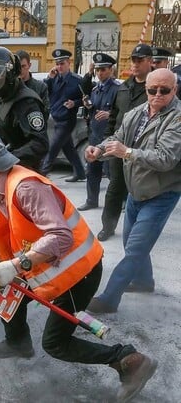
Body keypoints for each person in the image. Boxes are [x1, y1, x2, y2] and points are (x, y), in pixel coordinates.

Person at [0, 132, 158, 402]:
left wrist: (18, 264)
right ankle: (17, 342)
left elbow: (60, 236)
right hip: (55, 268)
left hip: (77, 275)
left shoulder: (25, 188)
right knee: (10, 292)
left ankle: (127, 360)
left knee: (55, 343)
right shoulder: (0, 183)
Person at [85, 68, 181, 315]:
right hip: (136, 189)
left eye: (164, 90)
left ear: (175, 89)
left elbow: (165, 158)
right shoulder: (137, 112)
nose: (157, 95)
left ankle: (109, 298)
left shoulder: (178, 118)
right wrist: (98, 149)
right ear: (146, 89)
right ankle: (143, 282)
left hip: (161, 193)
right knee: (131, 241)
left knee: (136, 248)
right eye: (152, 90)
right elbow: (117, 136)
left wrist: (126, 152)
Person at [97, 44, 152, 241]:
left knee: (138, 192)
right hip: (118, 147)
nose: (135, 64)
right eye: (133, 60)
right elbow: (114, 117)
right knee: (114, 188)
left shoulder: (155, 89)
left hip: (142, 150)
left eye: (140, 60)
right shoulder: (123, 87)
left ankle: (137, 230)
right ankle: (108, 226)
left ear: (149, 61)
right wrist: (108, 140)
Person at [0, 47, 49, 171]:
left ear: (9, 74)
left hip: (22, 173)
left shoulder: (26, 101)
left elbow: (40, 143)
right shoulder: (4, 95)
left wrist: (9, 159)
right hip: (4, 170)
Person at [77, 53, 120, 211]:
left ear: (110, 70)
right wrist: (88, 107)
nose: (100, 73)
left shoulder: (117, 90)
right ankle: (91, 200)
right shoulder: (95, 90)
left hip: (109, 137)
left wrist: (109, 114)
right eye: (97, 70)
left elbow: (122, 112)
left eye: (103, 70)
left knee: (112, 172)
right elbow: (93, 110)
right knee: (92, 171)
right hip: (95, 136)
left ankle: (120, 201)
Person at [41, 49, 86, 182]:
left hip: (67, 120)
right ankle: (80, 172)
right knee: (68, 148)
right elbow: (45, 92)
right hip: (56, 118)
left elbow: (88, 96)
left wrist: (75, 103)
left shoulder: (77, 80)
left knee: (53, 147)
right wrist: (49, 78)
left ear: (69, 63)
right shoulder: (54, 78)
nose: (59, 66)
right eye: (57, 64)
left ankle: (42, 174)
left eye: (62, 63)